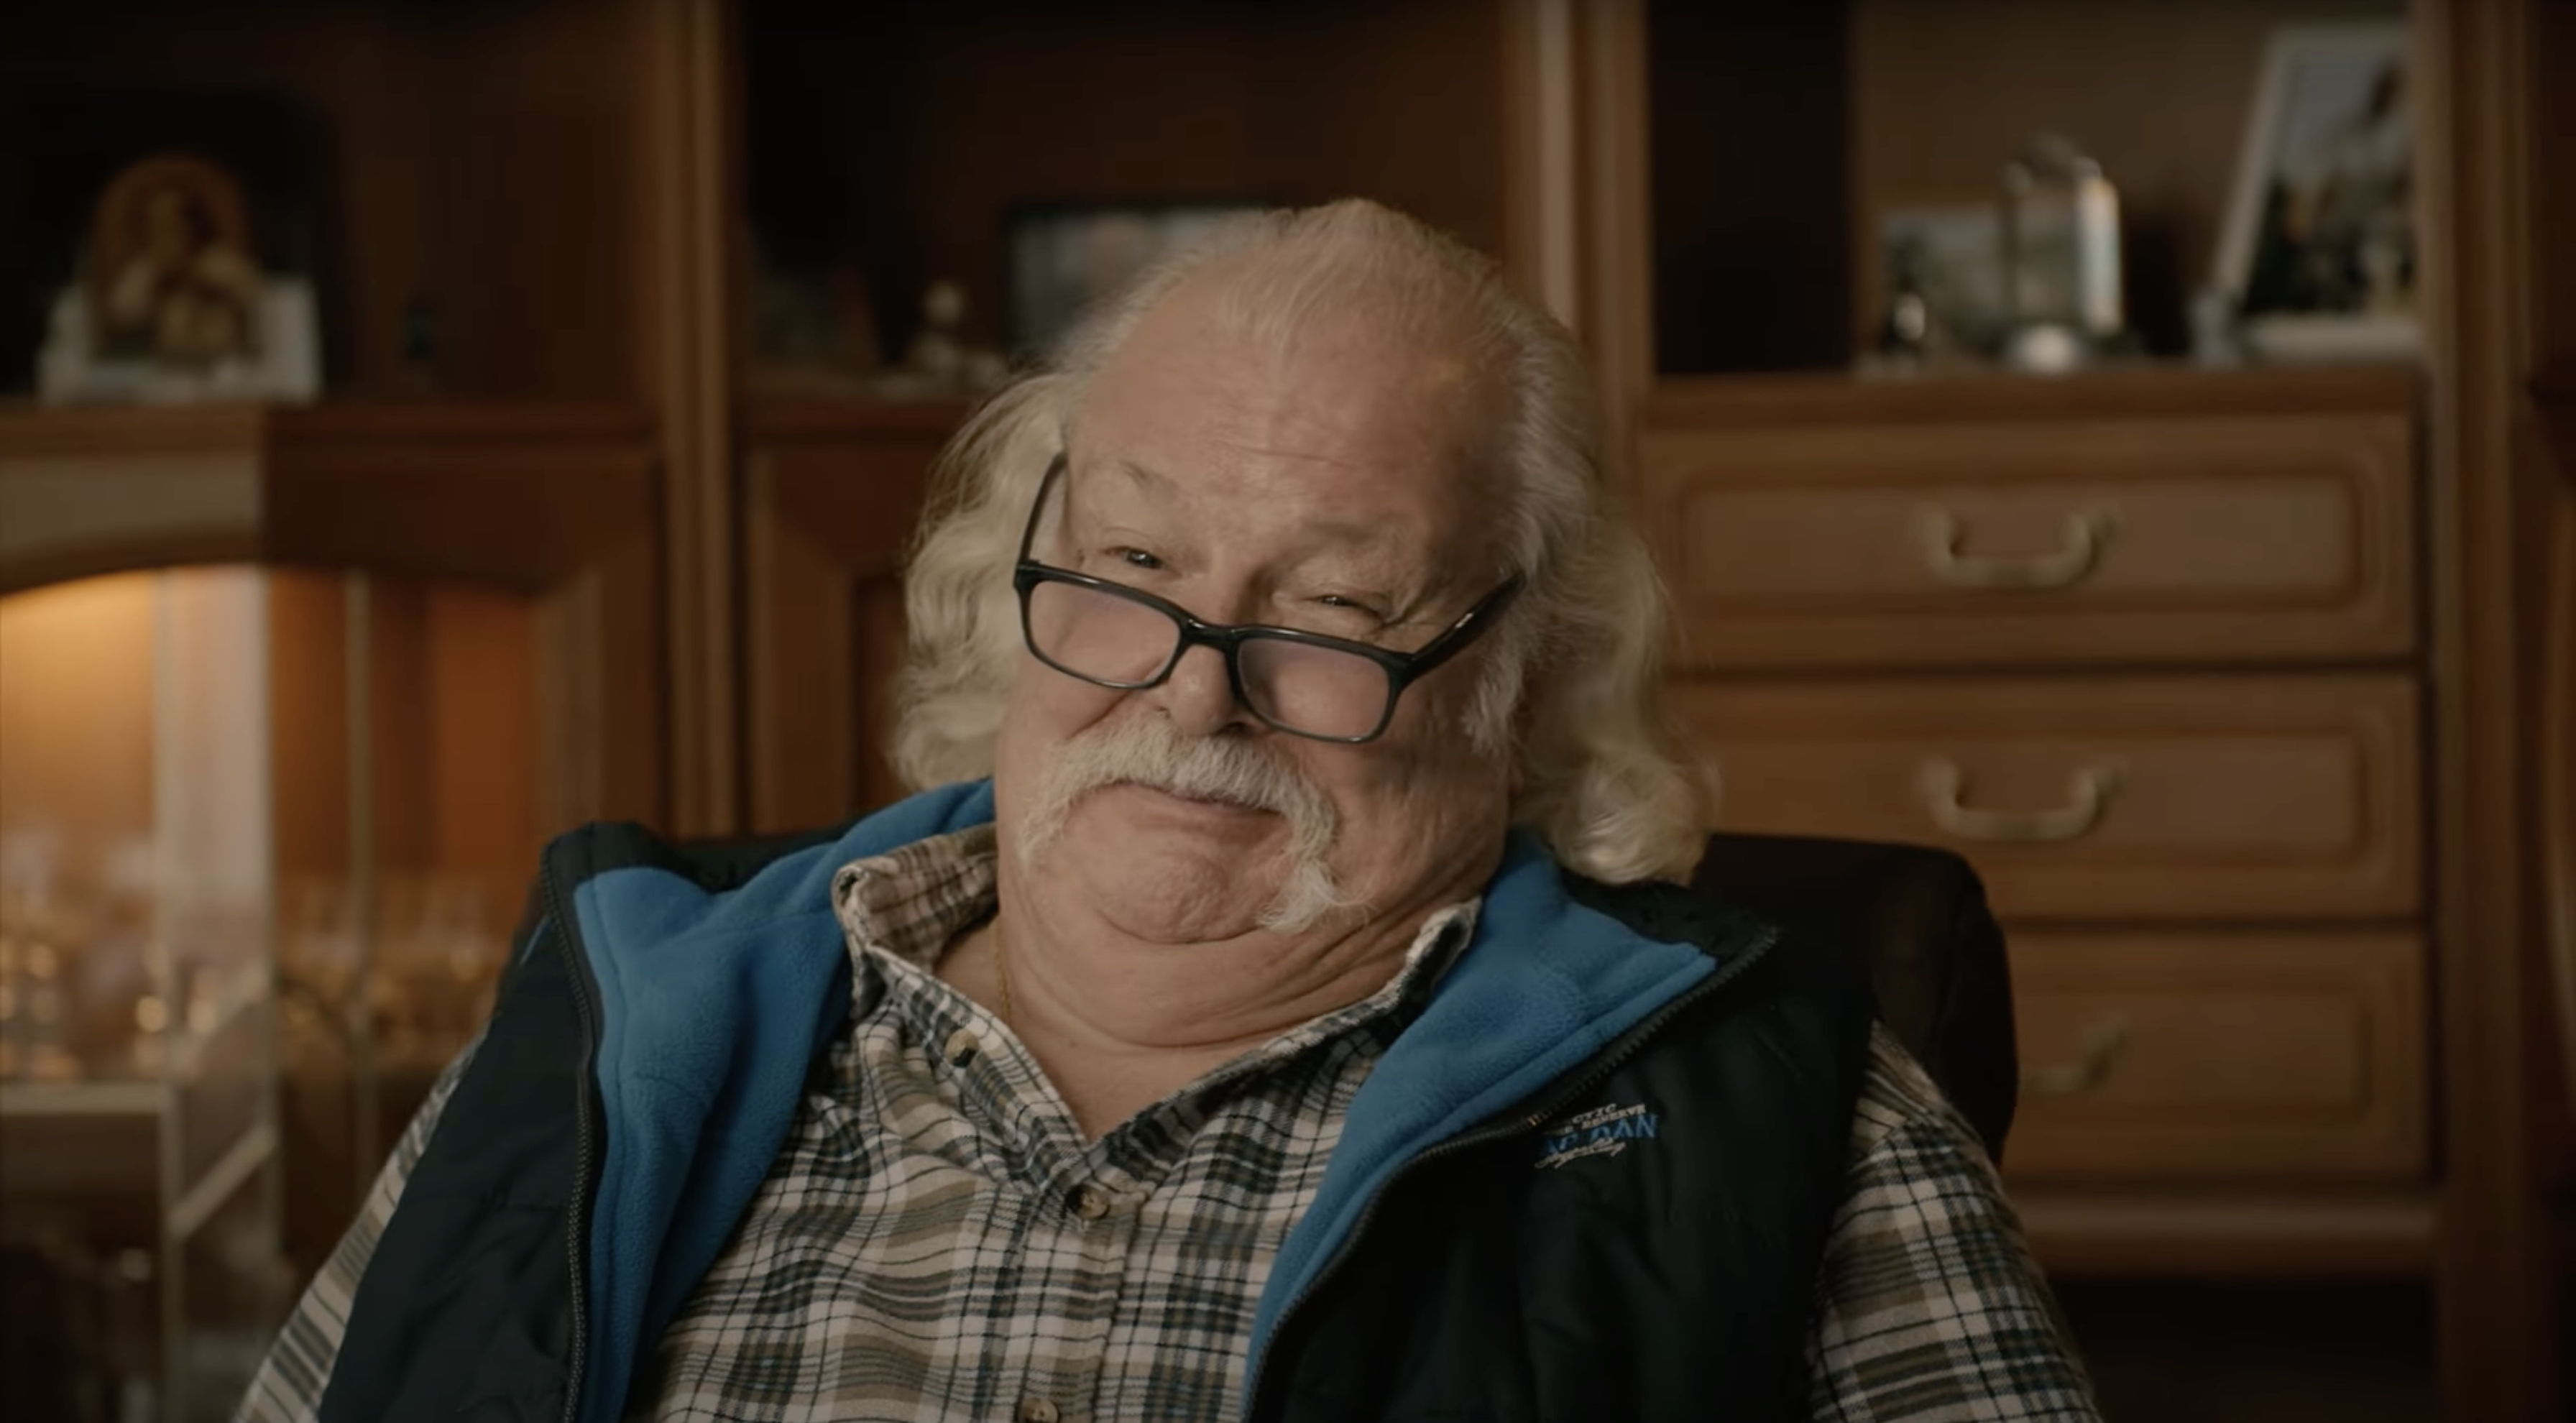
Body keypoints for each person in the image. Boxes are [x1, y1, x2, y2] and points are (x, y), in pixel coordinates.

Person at [235, 200, 2098, 1423]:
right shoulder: (616, 1017)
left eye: (1335, 611)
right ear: (1018, 569)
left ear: (1524, 677)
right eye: (1134, 566)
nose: (1195, 693)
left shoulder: (1776, 1112)